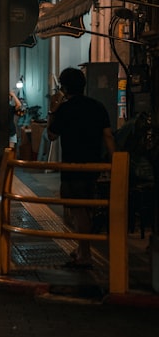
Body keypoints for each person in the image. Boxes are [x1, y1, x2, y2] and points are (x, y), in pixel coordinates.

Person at [47, 67, 115, 269]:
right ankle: (81, 250)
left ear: (64, 87)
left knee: (78, 210)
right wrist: (116, 162)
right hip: (93, 165)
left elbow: (51, 135)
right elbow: (108, 136)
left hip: (72, 166)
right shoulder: (98, 106)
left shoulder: (65, 109)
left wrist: (53, 109)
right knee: (87, 208)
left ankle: (85, 254)